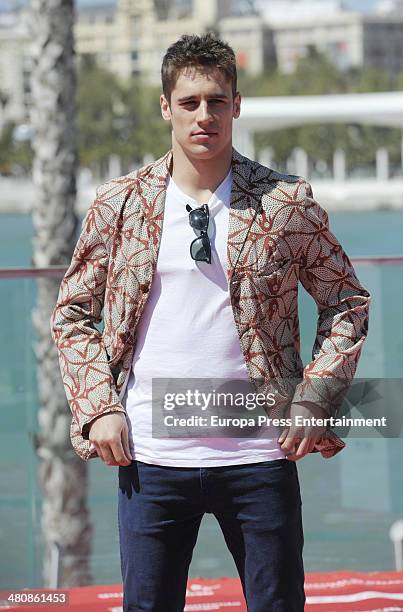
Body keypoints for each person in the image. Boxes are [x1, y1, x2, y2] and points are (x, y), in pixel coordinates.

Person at [51, 33, 370, 611]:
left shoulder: (285, 203)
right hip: (150, 457)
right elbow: (74, 313)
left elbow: (346, 301)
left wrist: (315, 398)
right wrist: (98, 407)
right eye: (191, 101)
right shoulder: (119, 204)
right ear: (165, 107)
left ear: (237, 106)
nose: (205, 116)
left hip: (260, 456)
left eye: (217, 101)